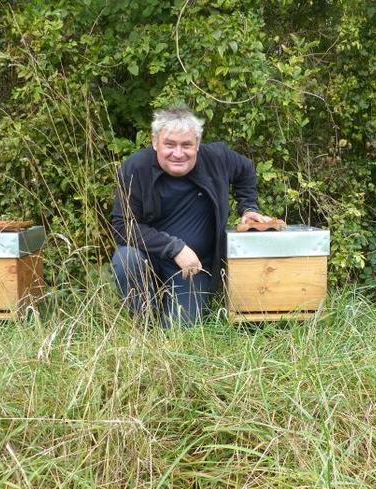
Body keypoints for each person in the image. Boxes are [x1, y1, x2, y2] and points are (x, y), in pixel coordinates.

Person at [110, 106, 271, 326]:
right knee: (126, 259)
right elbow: (122, 226)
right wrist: (174, 248)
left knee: (180, 330)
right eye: (170, 144)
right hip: (149, 261)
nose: (178, 153)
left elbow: (245, 171)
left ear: (197, 143)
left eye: (186, 145)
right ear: (155, 142)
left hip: (194, 269)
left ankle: (174, 318)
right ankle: (143, 325)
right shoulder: (135, 168)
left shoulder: (217, 158)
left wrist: (248, 208)